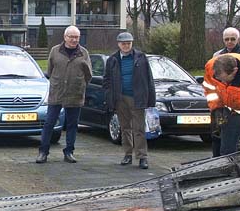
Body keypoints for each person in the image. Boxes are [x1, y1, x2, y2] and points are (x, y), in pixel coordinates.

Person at [36, 26, 92, 164]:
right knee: (49, 123)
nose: (74, 40)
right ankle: (43, 152)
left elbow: (88, 74)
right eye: (71, 37)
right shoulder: (55, 51)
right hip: (57, 93)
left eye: (77, 37)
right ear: (65, 37)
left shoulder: (84, 53)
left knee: (72, 125)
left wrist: (80, 84)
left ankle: (69, 152)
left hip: (75, 94)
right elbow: (50, 70)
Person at [104, 32, 155, 169]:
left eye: (128, 43)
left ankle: (142, 157)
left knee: (139, 128)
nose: (126, 45)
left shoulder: (141, 58)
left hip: (137, 97)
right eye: (123, 43)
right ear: (118, 44)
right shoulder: (112, 60)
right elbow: (107, 81)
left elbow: (149, 79)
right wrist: (110, 98)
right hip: (120, 98)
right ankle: (127, 154)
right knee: (125, 128)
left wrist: (151, 99)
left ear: (132, 44)